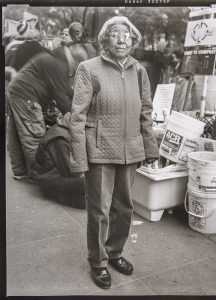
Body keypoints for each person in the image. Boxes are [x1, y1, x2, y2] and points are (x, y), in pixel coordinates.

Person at [69, 16, 159, 289]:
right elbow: (76, 116)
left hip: (130, 150)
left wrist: (149, 146)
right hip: (99, 149)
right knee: (100, 210)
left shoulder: (139, 70)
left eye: (127, 34)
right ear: (105, 39)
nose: (122, 38)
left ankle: (115, 252)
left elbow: (146, 111)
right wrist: (78, 157)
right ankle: (98, 261)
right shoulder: (89, 68)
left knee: (125, 208)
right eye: (115, 33)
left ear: (133, 41)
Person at [7, 43, 87, 181]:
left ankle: (20, 171)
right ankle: (39, 175)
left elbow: (65, 89)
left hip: (16, 90)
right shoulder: (57, 64)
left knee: (16, 133)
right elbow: (60, 96)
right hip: (27, 95)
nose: (74, 72)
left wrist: (81, 98)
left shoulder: (54, 59)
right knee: (34, 136)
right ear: (74, 61)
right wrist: (76, 118)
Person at [31, 112, 85, 209]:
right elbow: (69, 171)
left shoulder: (65, 128)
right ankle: (63, 197)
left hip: (57, 176)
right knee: (89, 184)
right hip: (49, 181)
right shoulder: (60, 138)